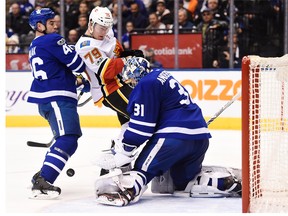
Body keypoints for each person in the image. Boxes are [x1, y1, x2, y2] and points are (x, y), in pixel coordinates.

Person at [93, 57, 240, 206]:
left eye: (129, 80)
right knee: (183, 182)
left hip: (174, 139)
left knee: (141, 171)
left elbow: (142, 128)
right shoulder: (160, 74)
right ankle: (225, 182)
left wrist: (124, 149)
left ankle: (123, 190)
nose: (129, 83)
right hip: (199, 138)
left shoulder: (145, 84)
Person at [27, 8, 89, 199]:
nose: (56, 26)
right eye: (51, 23)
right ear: (40, 25)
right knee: (68, 138)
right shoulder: (52, 40)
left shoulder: (35, 45)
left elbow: (57, 70)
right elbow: (78, 65)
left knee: (69, 139)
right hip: (57, 99)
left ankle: (43, 174)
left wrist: (77, 81)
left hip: (51, 99)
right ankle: (43, 180)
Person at [75, 6, 144, 142]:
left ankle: (118, 150)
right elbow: (107, 71)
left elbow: (116, 52)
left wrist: (127, 53)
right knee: (142, 116)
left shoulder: (107, 31)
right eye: (101, 28)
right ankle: (121, 151)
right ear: (90, 24)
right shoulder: (85, 46)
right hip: (109, 90)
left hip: (122, 82)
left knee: (129, 122)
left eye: (107, 27)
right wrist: (129, 60)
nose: (105, 31)